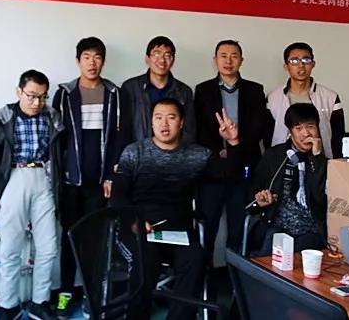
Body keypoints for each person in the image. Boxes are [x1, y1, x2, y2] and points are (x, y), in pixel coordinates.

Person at [112, 98, 240, 320]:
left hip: (178, 232)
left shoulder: (197, 155)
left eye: (171, 118)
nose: (164, 124)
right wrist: (134, 221)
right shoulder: (134, 152)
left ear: (181, 123)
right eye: (158, 118)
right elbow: (118, 194)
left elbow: (229, 174)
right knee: (145, 263)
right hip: (139, 229)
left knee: (196, 259)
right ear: (151, 122)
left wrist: (233, 142)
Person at [51, 37, 125, 318]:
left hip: (100, 183)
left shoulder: (115, 94)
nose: (92, 63)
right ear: (78, 61)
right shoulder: (65, 94)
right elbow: (57, 140)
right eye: (86, 57)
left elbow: (120, 137)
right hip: (71, 182)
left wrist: (111, 175)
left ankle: (91, 294)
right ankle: (65, 292)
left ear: (103, 61)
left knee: (96, 239)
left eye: (97, 57)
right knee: (69, 238)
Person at [0, 70, 64, 320]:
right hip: (14, 178)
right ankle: (8, 306)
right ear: (19, 91)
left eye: (42, 96)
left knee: (48, 246)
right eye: (31, 96)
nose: (37, 102)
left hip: (44, 178)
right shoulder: (3, 116)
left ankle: (40, 301)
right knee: (11, 248)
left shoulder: (52, 116)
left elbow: (61, 152)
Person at [193, 39, 271, 264]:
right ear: (215, 60)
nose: (228, 61)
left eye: (234, 56)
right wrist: (220, 149)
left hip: (244, 168)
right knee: (207, 227)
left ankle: (235, 279)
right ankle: (205, 277)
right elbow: (200, 128)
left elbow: (258, 128)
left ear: (241, 60)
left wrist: (235, 145)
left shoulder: (255, 90)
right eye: (223, 56)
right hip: (213, 169)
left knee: (239, 228)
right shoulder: (203, 90)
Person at [248, 103, 328, 256]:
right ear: (290, 131)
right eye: (298, 128)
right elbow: (254, 191)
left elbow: (320, 198)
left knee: (296, 253)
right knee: (269, 252)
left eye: (311, 126)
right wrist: (261, 199)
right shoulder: (274, 156)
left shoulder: (324, 163)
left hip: (311, 230)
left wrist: (317, 159)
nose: (306, 133)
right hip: (277, 225)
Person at [266, 42, 346, 158]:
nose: (301, 65)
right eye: (294, 61)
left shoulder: (330, 97)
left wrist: (335, 163)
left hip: (321, 160)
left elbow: (339, 136)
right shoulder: (273, 98)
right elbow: (267, 135)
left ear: (313, 64)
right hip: (282, 161)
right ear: (286, 66)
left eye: (306, 60)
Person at [120, 36, 196, 145]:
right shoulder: (130, 88)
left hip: (174, 153)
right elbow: (124, 129)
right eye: (156, 54)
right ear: (147, 59)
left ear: (173, 61)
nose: (162, 60)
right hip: (140, 151)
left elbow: (189, 130)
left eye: (167, 55)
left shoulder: (184, 91)